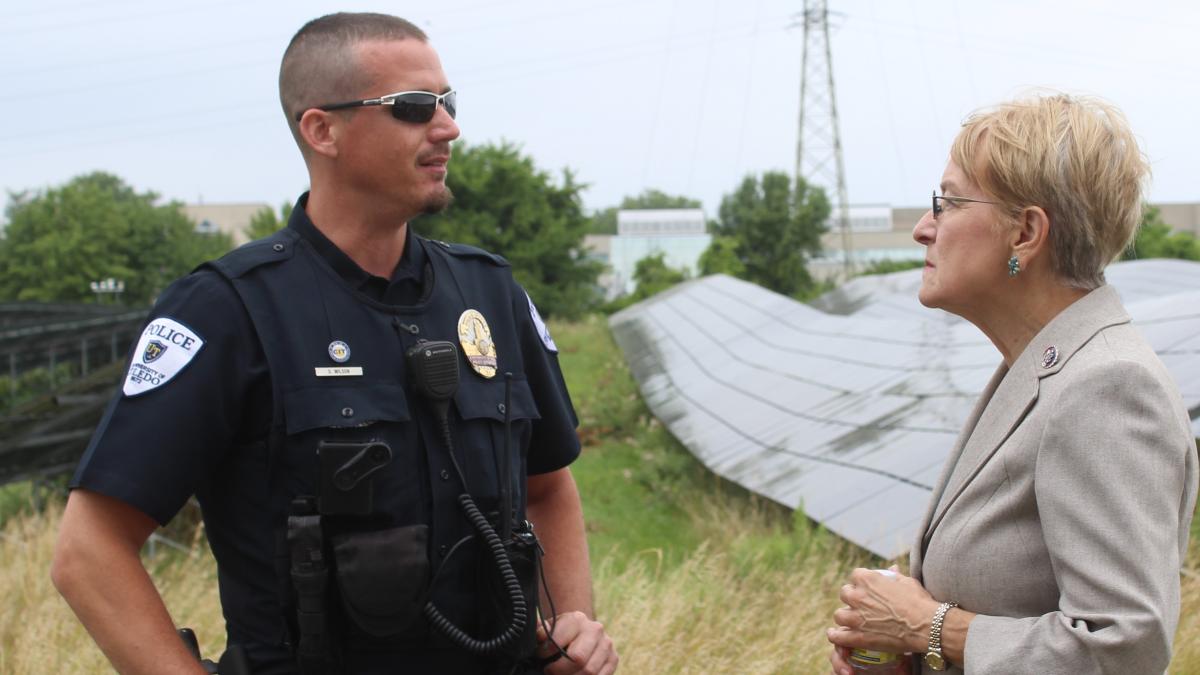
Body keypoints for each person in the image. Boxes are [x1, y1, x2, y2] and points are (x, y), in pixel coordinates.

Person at [52, 12, 618, 675]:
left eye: (448, 103)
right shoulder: (228, 310)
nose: (448, 128)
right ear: (322, 129)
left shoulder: (489, 295)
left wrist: (569, 631)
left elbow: (547, 487)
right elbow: (88, 550)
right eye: (413, 108)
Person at [826, 93, 1198, 674]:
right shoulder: (1045, 368)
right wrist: (910, 655)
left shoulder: (1108, 387)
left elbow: (1123, 649)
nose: (924, 228)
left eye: (947, 202)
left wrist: (927, 628)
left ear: (1025, 232)